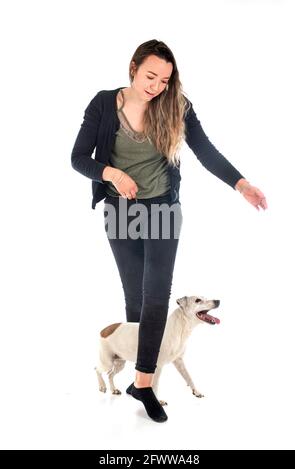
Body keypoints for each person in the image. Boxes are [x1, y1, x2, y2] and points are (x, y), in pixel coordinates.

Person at [71, 39, 268, 423]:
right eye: (150, 76)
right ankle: (143, 375)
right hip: (119, 209)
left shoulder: (176, 105)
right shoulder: (102, 103)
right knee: (136, 300)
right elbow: (78, 158)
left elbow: (205, 149)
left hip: (162, 207)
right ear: (132, 68)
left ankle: (143, 383)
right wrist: (111, 172)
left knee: (157, 294)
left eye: (164, 79)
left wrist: (241, 184)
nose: (156, 86)